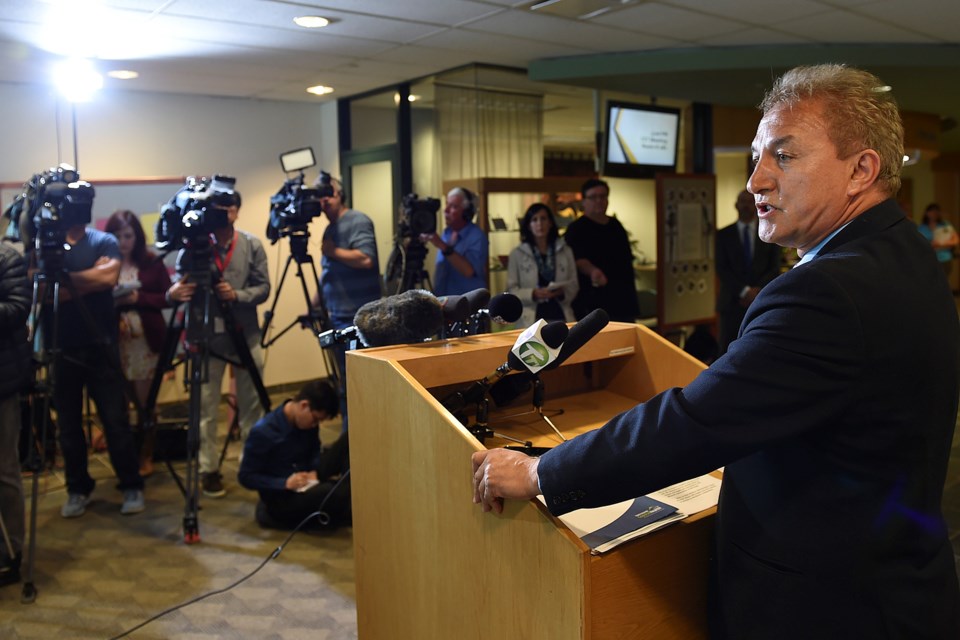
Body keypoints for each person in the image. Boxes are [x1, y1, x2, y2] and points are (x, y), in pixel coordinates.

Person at [471, 64, 960, 639]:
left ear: (862, 170)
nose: (756, 181)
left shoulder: (826, 290)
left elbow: (694, 422)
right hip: (895, 579)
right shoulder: (903, 252)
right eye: (757, 157)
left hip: (827, 605)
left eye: (784, 156)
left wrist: (538, 471)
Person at [36, 208, 145, 517]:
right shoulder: (44, 244)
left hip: (101, 345)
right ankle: (77, 489)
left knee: (115, 421)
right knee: (68, 427)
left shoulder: (103, 240)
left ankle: (131, 485)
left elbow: (109, 278)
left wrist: (63, 282)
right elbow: (41, 290)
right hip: (61, 346)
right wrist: (88, 280)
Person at [167, 187, 270, 498]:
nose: (223, 213)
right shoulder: (194, 247)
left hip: (245, 331)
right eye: (217, 207)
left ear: (237, 211)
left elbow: (263, 288)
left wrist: (237, 295)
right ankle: (208, 469)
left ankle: (251, 463)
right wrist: (172, 294)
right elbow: (178, 284)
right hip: (206, 335)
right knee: (207, 406)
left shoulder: (251, 244)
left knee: (251, 405)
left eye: (228, 207)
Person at [105, 210, 172, 477]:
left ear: (138, 236)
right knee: (118, 404)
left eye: (128, 235)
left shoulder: (151, 262)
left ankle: (147, 454)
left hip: (145, 342)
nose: (123, 241)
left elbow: (167, 298)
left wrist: (137, 299)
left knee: (146, 404)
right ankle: (126, 457)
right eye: (117, 236)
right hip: (115, 341)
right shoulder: (105, 263)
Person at [237, 379, 350, 530]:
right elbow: (245, 476)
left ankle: (346, 495)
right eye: (315, 420)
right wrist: (284, 483)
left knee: (348, 439)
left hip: (305, 478)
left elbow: (315, 449)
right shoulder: (263, 432)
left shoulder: (306, 422)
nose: (315, 425)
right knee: (334, 492)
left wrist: (313, 471)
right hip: (283, 495)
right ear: (304, 405)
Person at [315, 174, 381, 432]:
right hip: (336, 315)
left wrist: (333, 251)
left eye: (328, 193)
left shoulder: (357, 220)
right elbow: (328, 274)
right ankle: (348, 438)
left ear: (340, 194)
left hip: (358, 319)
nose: (324, 200)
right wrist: (313, 305)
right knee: (344, 382)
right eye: (319, 195)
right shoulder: (330, 229)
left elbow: (366, 259)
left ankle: (357, 436)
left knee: (356, 384)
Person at [714, 189, 782, 356]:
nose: (745, 206)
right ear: (736, 206)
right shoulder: (723, 235)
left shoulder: (769, 233)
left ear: (755, 205)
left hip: (762, 302)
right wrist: (744, 291)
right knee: (727, 352)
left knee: (759, 352)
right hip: (731, 303)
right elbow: (722, 269)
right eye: (742, 202)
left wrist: (757, 292)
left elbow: (775, 267)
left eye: (749, 202)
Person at [563, 178, 639, 322]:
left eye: (603, 196)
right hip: (592, 302)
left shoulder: (616, 226)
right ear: (584, 201)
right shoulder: (577, 229)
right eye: (593, 197)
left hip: (622, 299)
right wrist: (592, 271)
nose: (599, 201)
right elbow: (576, 259)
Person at [0, 241, 30, 588]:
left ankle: (11, 552)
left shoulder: (7, 258)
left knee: (4, 469)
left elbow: (19, 307)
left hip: (3, 381)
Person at [506, 203, 578, 326]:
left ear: (550, 222)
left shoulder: (565, 250)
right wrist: (533, 293)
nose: (539, 224)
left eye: (543, 219)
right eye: (534, 220)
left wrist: (561, 292)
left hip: (561, 316)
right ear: (528, 225)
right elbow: (511, 290)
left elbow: (574, 285)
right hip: (530, 319)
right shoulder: (517, 254)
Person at [420, 187, 488, 296]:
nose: (446, 210)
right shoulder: (446, 233)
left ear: (466, 212)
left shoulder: (477, 236)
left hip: (468, 305)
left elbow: (469, 271)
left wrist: (442, 245)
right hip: (444, 302)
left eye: (453, 206)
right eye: (447, 204)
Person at [917, 202, 958, 276]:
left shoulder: (945, 225)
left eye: (936, 211)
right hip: (928, 261)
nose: (934, 213)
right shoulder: (921, 228)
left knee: (944, 284)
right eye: (931, 211)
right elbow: (919, 246)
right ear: (926, 213)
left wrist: (940, 244)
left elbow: (955, 240)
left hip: (945, 259)